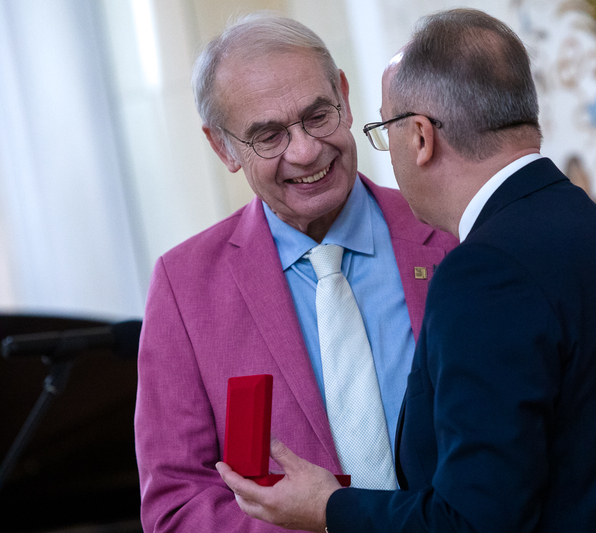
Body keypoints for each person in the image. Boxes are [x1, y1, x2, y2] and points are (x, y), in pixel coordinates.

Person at [217, 8, 596, 533]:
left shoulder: (485, 272)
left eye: (384, 129)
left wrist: (331, 509)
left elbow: (473, 523)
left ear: (421, 137)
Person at [134, 11, 457, 533]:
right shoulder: (185, 287)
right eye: (268, 136)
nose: (305, 151)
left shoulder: (449, 235)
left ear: (345, 99)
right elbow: (175, 504)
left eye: (317, 116)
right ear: (224, 147)